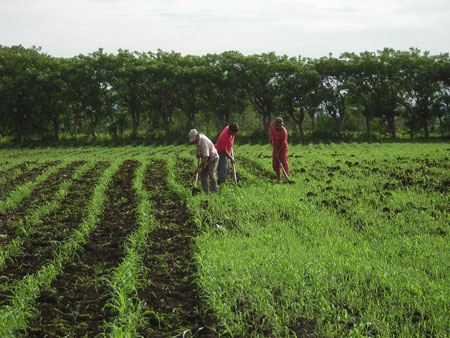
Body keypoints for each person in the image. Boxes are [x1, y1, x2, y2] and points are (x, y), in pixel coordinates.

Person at [189, 129, 219, 194]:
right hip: (207, 159)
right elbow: (198, 147)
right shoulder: (198, 140)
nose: (194, 142)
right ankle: (206, 192)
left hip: (213, 158)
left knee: (211, 173)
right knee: (203, 175)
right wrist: (198, 153)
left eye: (194, 140)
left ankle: (215, 190)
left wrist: (199, 167)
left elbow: (205, 157)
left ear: (197, 136)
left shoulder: (203, 141)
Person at [269, 117, 289, 183]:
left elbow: (283, 144)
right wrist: (271, 138)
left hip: (283, 148)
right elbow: (271, 132)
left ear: (281, 125)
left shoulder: (284, 132)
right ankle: (279, 179)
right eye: (276, 125)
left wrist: (278, 152)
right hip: (275, 146)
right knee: (275, 162)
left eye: (279, 126)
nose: (277, 127)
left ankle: (287, 178)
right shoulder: (272, 126)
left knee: (283, 161)